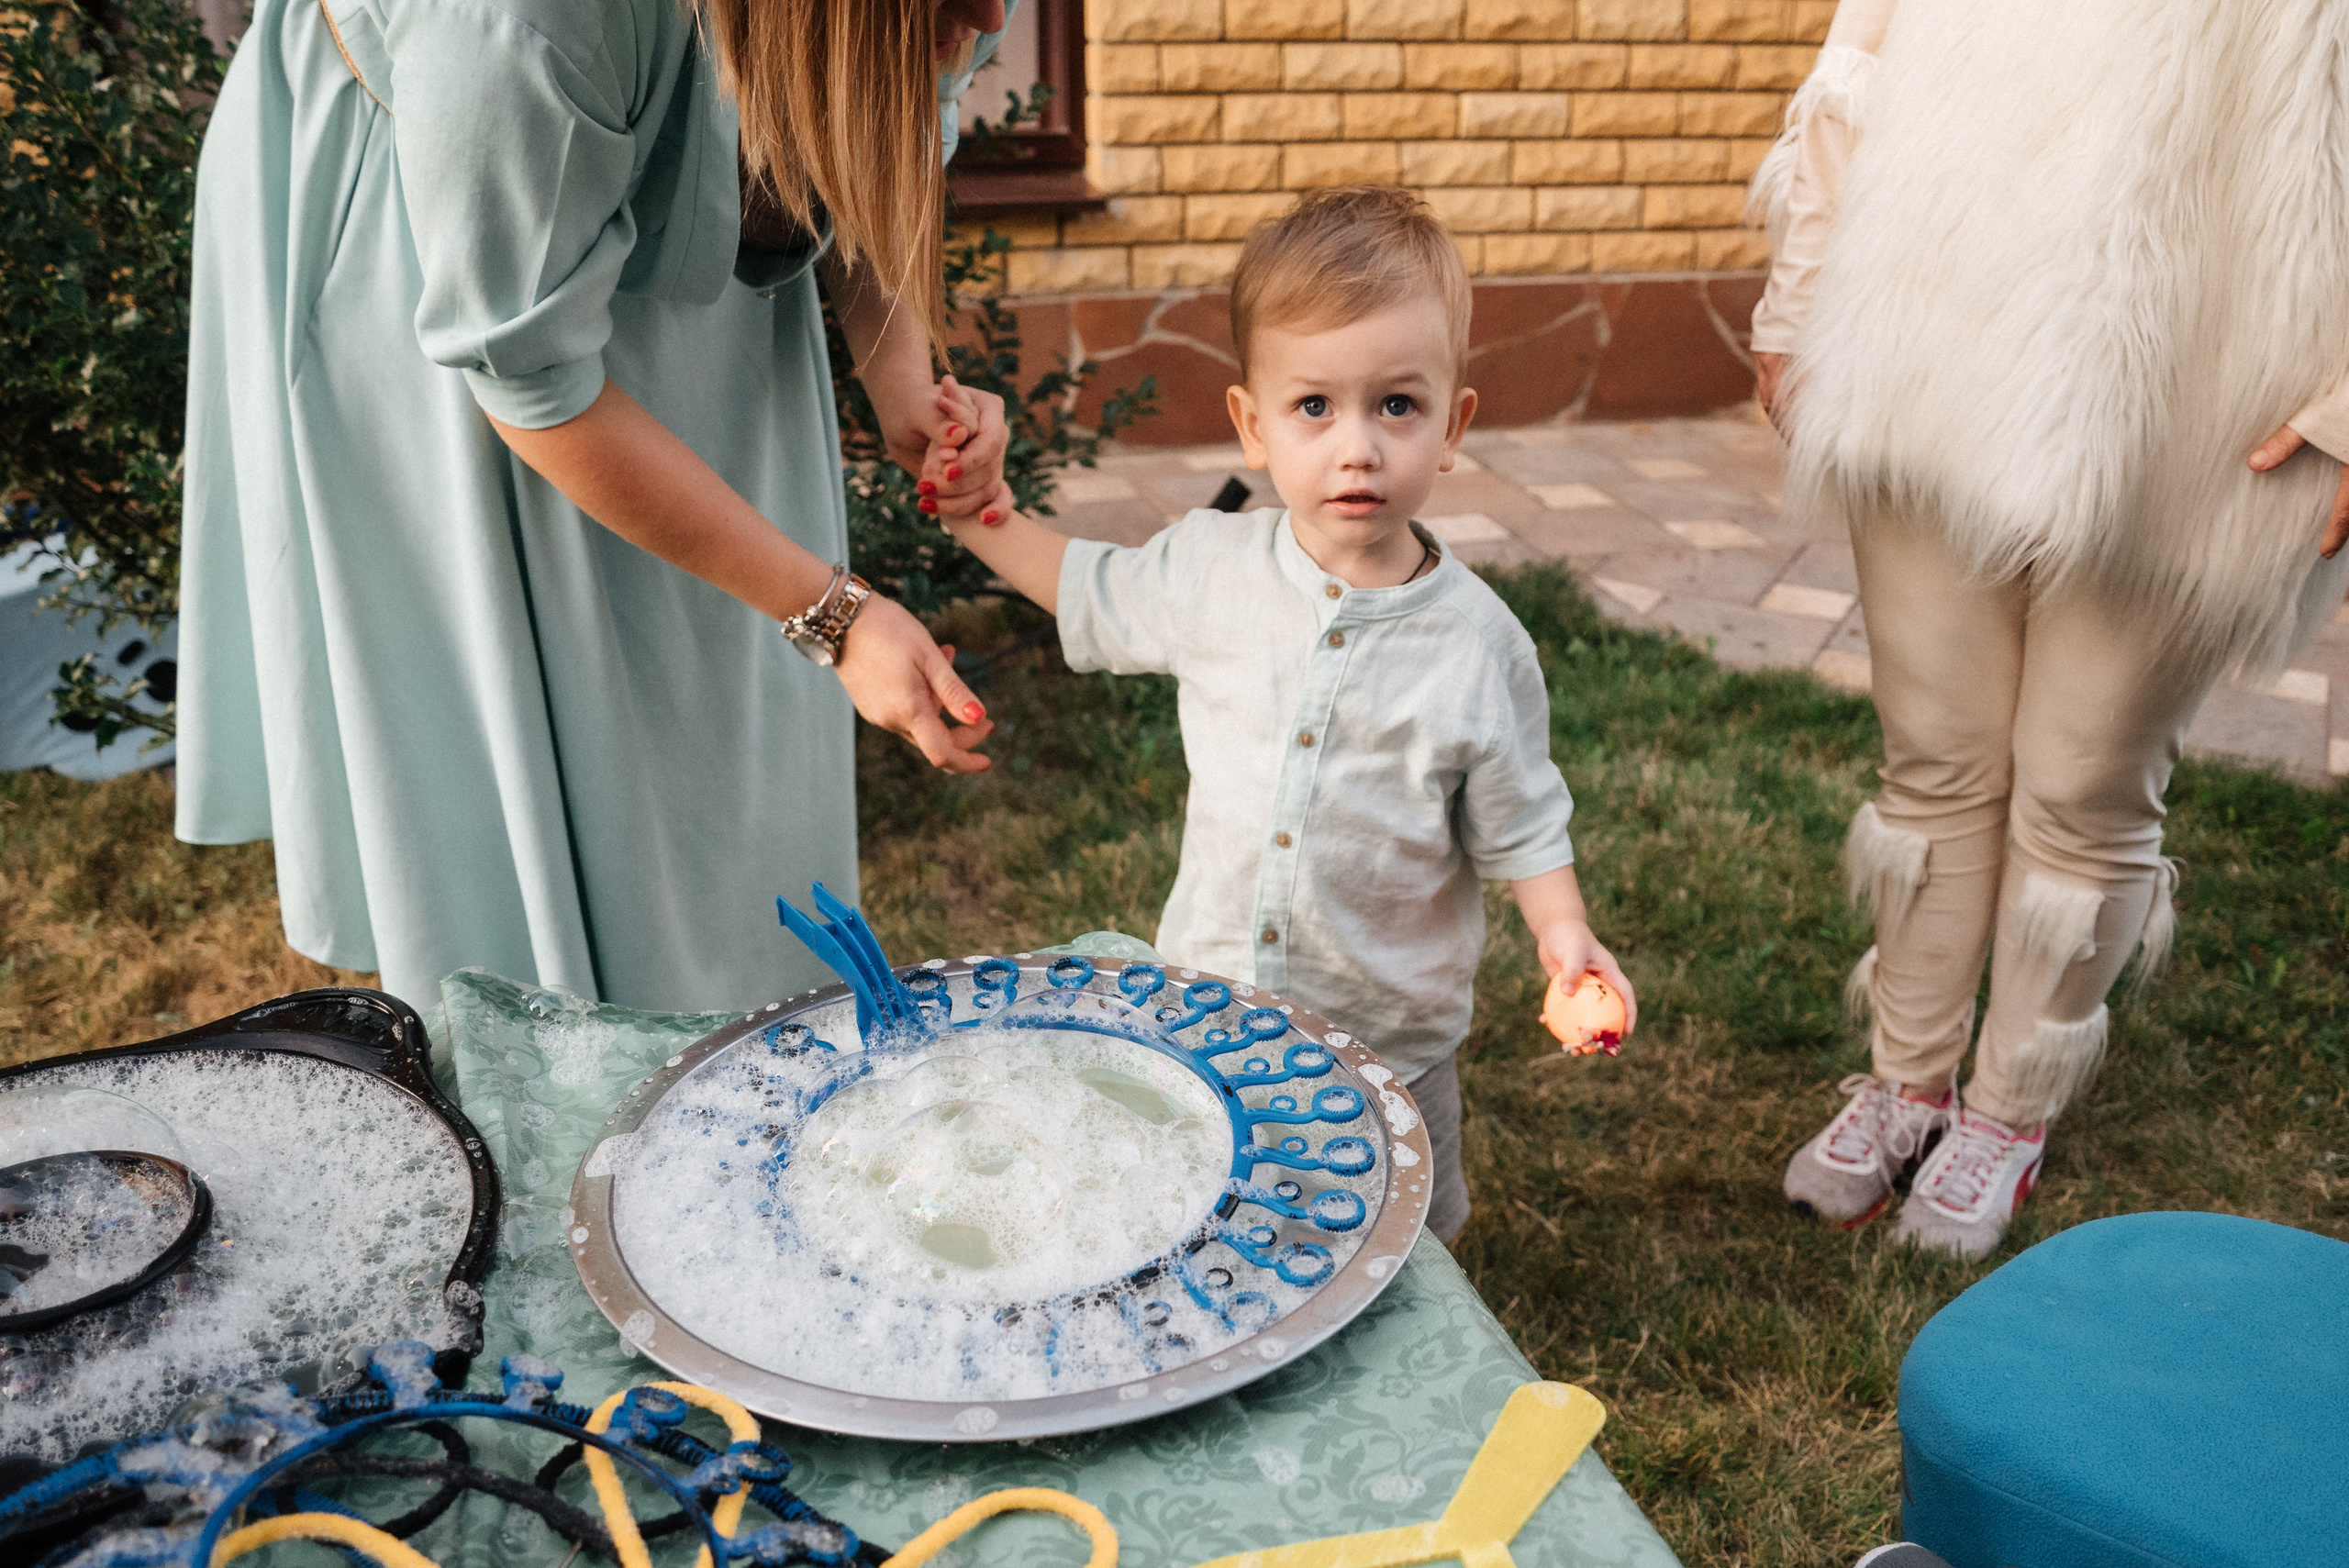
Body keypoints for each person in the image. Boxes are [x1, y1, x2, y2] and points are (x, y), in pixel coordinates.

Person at [175, 0, 1019, 1013]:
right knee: (538, 728)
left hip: (590, 111)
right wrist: (834, 616)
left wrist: (904, 383)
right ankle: (562, 1073)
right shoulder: (519, 17)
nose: (988, 15)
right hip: (444, 230)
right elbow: (532, 382)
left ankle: (736, 1027)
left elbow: (869, 128)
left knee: (716, 676)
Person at [923, 186, 1637, 1243]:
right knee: (1215, 1203)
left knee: (1398, 1229)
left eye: (1396, 405)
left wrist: (1564, 931)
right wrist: (971, 512)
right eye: (1315, 408)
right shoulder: (1209, 570)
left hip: (1392, 1033)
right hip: (1214, 1008)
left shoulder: (1479, 646)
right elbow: (1082, 583)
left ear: (1453, 425)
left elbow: (1522, 821)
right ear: (1252, 426)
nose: (1356, 447)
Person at [1751, 0, 2349, 1257]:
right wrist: (1802, 294)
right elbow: (1864, 53)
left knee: (2084, 778)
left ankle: (2009, 1113)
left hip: (2209, 382)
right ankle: (1907, 1083)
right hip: (1934, 329)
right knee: (1937, 751)